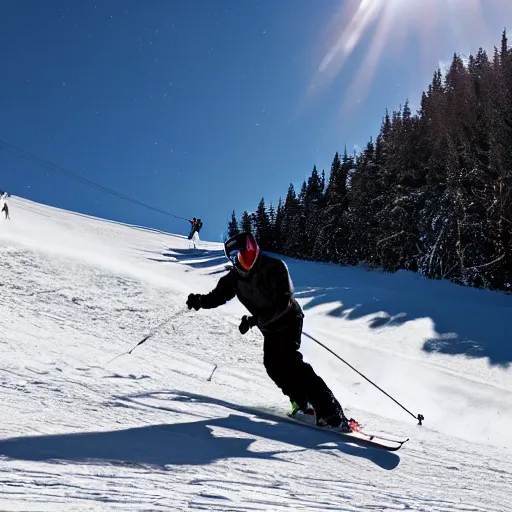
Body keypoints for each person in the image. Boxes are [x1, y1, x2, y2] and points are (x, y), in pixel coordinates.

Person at [186, 231, 354, 431]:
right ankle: (302, 404)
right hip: (270, 328)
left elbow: (284, 302)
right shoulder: (234, 278)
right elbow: (217, 297)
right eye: (237, 257)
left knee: (290, 361)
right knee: (273, 366)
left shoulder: (274, 267)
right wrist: (199, 301)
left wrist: (254, 320)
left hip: (289, 320)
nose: (243, 262)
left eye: (245, 255)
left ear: (253, 250)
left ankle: (331, 413)